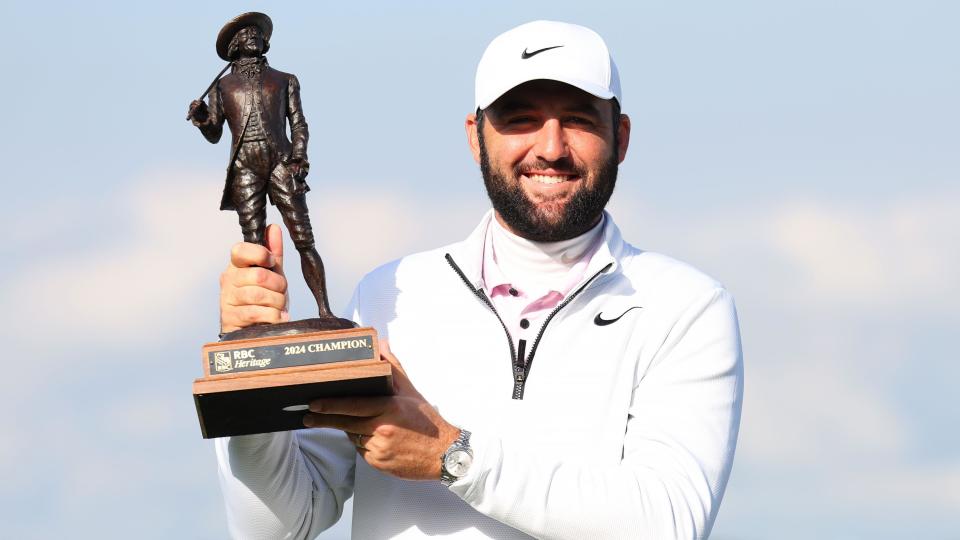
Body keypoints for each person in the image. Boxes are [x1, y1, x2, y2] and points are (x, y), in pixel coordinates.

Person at [216, 20, 744, 539]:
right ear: (476, 137)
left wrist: (450, 455)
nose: (551, 147)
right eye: (521, 119)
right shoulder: (389, 294)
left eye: (579, 119)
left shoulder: (685, 306)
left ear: (621, 136)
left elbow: (668, 523)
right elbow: (278, 529)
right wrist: (246, 382)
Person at [189, 12, 336, 319]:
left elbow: (299, 123)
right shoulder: (223, 87)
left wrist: (299, 157)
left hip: (282, 163)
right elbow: (215, 133)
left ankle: (325, 311)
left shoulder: (285, 80)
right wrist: (202, 118)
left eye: (257, 33)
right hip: (245, 166)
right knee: (254, 245)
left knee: (304, 239)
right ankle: (262, 319)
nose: (252, 37)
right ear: (234, 47)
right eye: (245, 35)